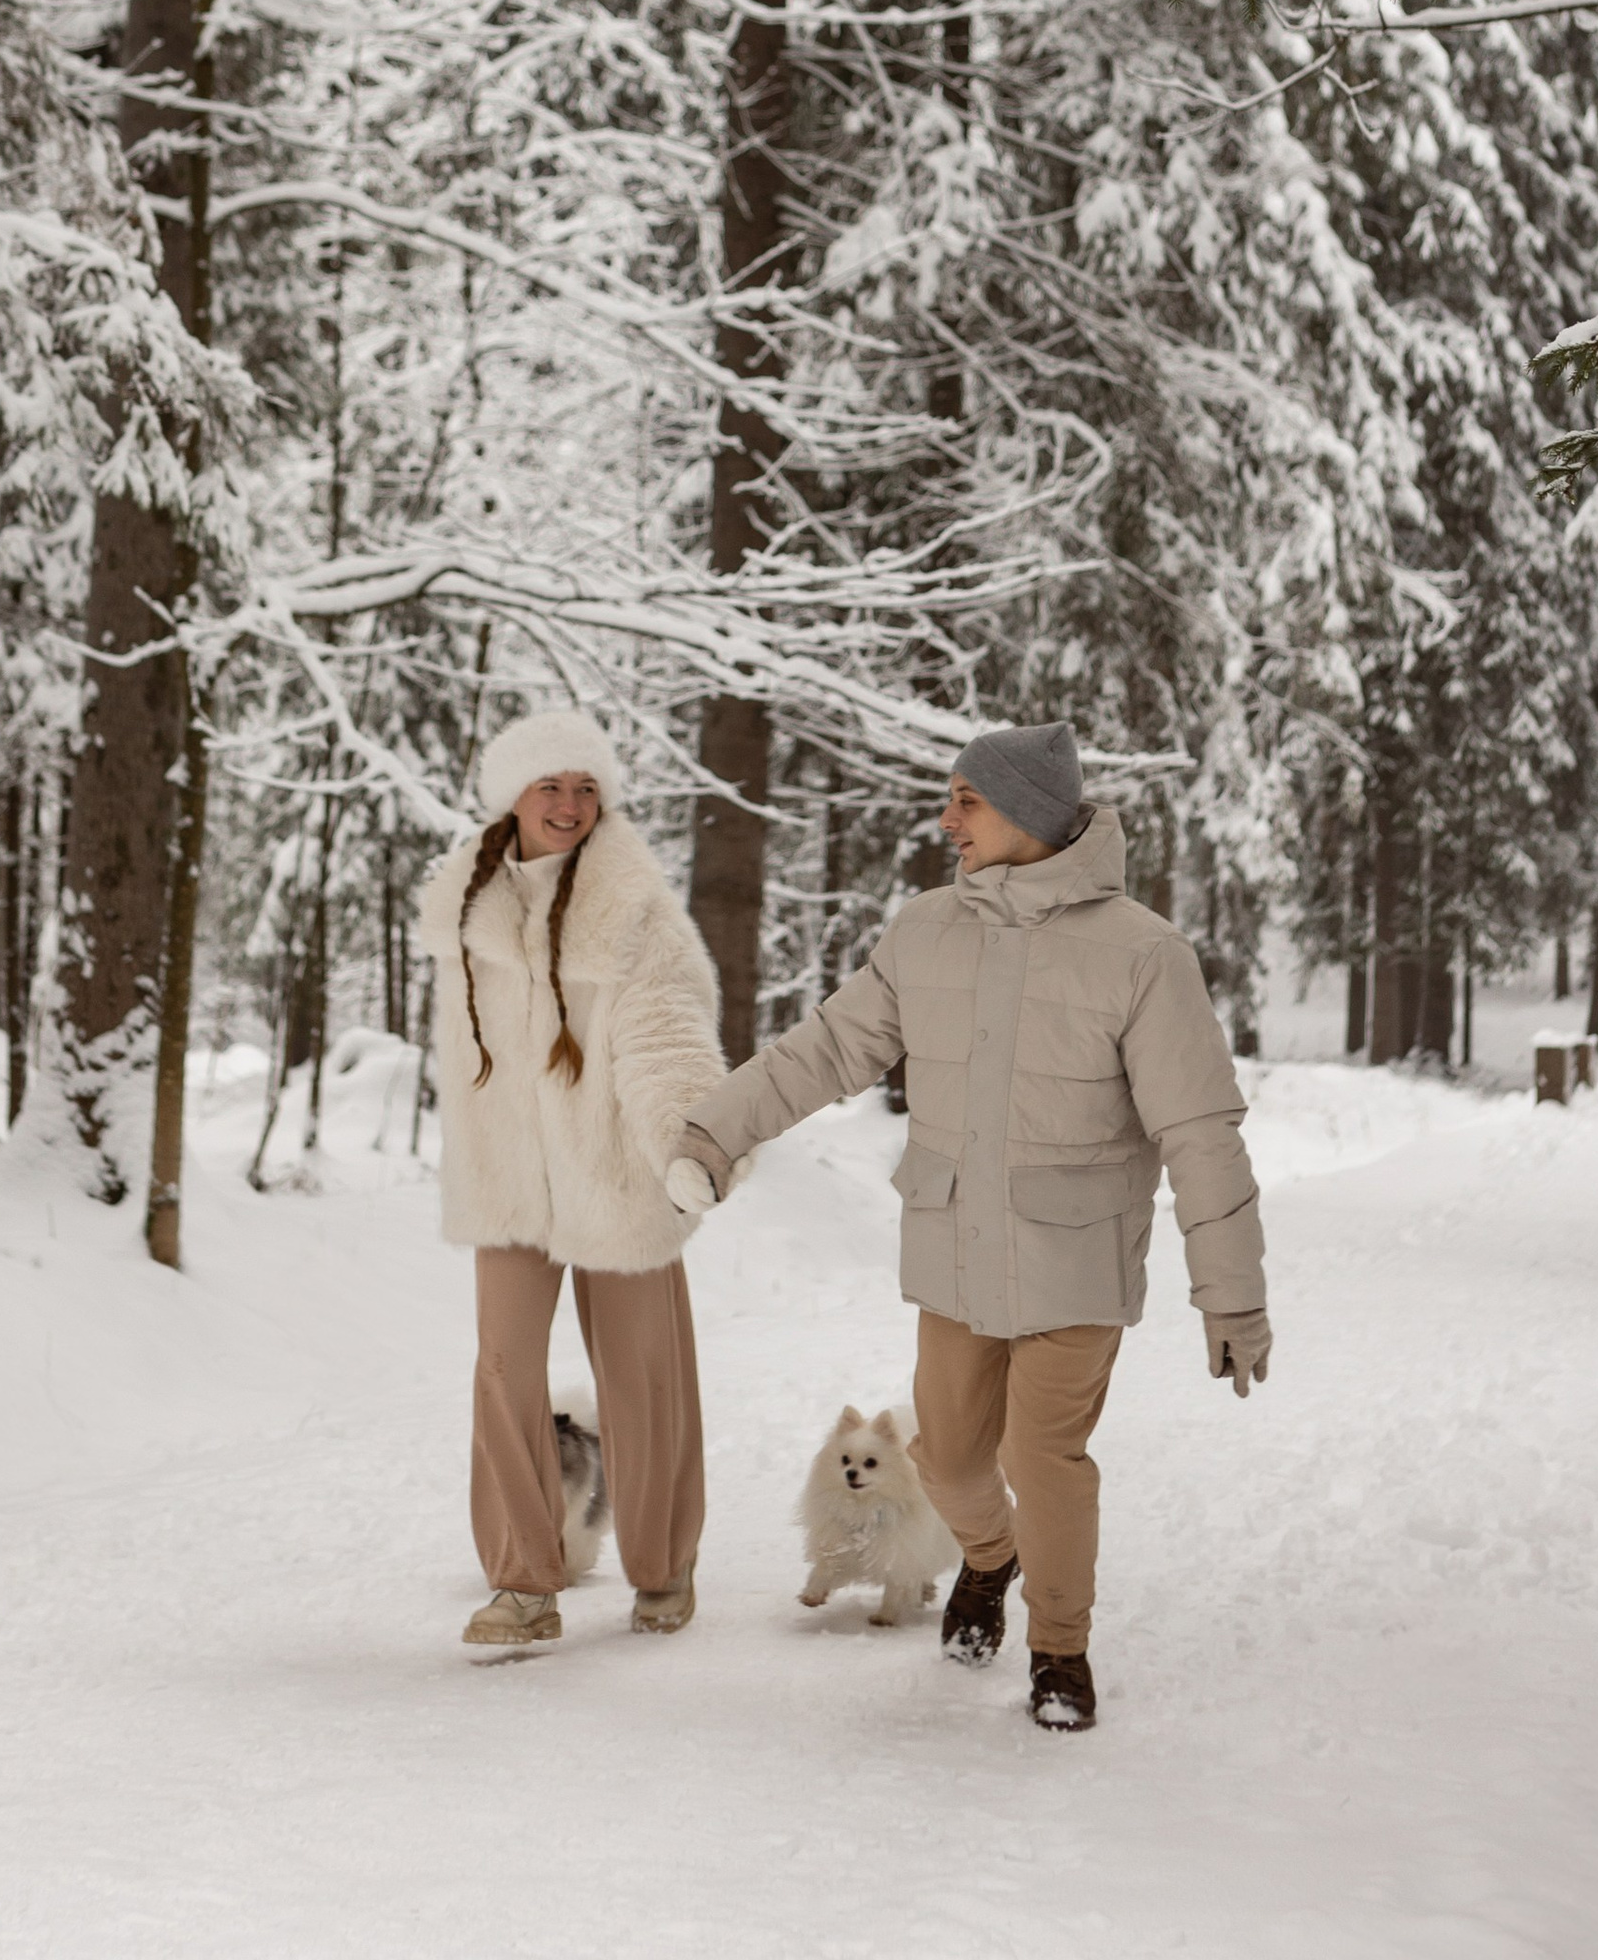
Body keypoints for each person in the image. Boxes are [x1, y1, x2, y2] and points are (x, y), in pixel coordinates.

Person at [666, 719, 1269, 1734]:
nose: (946, 819)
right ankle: (990, 1558)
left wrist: (1232, 1293)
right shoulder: (925, 931)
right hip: (953, 1253)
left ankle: (1059, 1650)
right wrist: (713, 1136)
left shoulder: (1142, 956)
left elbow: (1201, 1133)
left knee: (1044, 1459)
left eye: (965, 801)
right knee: (945, 1461)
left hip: (1074, 1260)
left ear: (1027, 815)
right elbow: (824, 1051)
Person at [419, 707, 726, 1656]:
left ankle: (663, 1563)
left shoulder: (633, 908)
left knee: (643, 1375)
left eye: (586, 787)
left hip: (618, 1177)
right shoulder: (466, 907)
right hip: (508, 1179)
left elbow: (669, 1031)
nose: (570, 803)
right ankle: (524, 1582)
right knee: (503, 1370)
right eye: (551, 785)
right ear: (511, 795)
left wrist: (691, 1142)